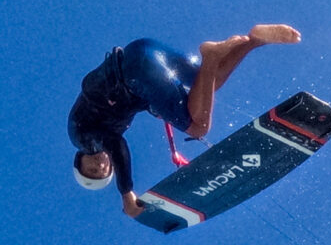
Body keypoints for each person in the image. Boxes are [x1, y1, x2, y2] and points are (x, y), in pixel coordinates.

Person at [68, 24, 301, 218]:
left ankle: (210, 54)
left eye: (90, 168)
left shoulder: (83, 139)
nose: (99, 165)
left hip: (135, 73)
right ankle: (255, 40)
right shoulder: (99, 122)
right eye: (101, 171)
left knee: (198, 127)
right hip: (143, 50)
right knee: (208, 83)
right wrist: (157, 108)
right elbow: (123, 105)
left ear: (81, 159)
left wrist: (127, 194)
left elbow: (115, 143)